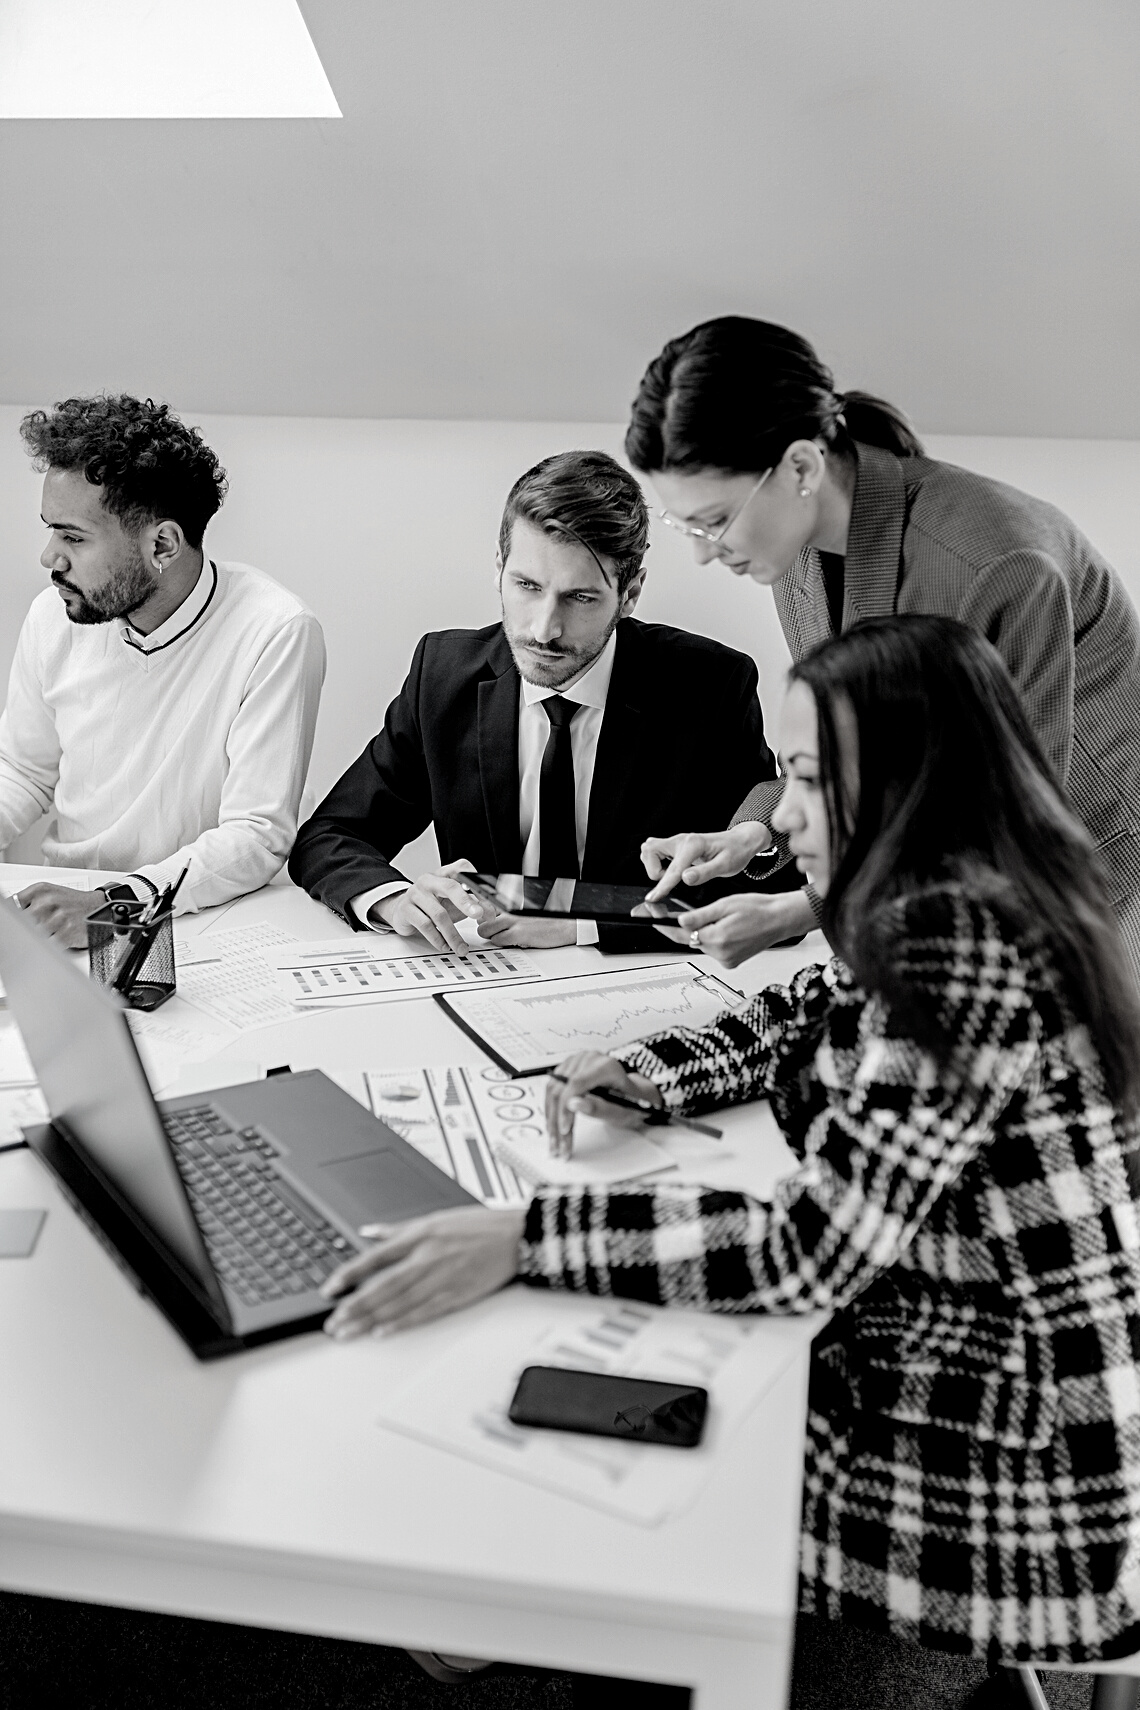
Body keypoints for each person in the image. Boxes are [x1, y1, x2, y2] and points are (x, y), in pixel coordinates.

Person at [320, 616, 1140, 1689]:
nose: (781, 816)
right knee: (594, 1417)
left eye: (805, 779)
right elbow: (804, 1007)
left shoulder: (961, 957)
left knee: (569, 1501)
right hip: (945, 1363)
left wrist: (525, 1234)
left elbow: (803, 1255)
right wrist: (654, 1070)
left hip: (1012, 1473)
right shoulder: (951, 890)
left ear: (908, 780)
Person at [621, 316, 1140, 978]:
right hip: (940, 883)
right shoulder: (795, 556)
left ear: (801, 465)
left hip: (1093, 876)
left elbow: (1000, 818)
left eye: (714, 521)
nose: (700, 554)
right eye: (683, 525)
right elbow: (841, 752)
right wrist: (758, 835)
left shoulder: (999, 562)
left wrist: (800, 911)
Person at [290, 448, 795, 953]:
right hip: (485, 979)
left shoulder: (710, 685)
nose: (543, 629)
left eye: (580, 598)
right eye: (527, 586)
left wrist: (586, 921)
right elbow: (331, 835)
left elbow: (770, 886)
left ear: (631, 592)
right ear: (499, 567)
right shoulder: (442, 676)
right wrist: (394, 899)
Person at [0, 395, 326, 946]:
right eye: (51, 531)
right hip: (68, 906)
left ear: (163, 544)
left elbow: (256, 835)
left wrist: (112, 905)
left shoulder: (275, 629)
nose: (50, 558)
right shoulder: (51, 615)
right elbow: (24, 771)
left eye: (73, 537)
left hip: (202, 917)